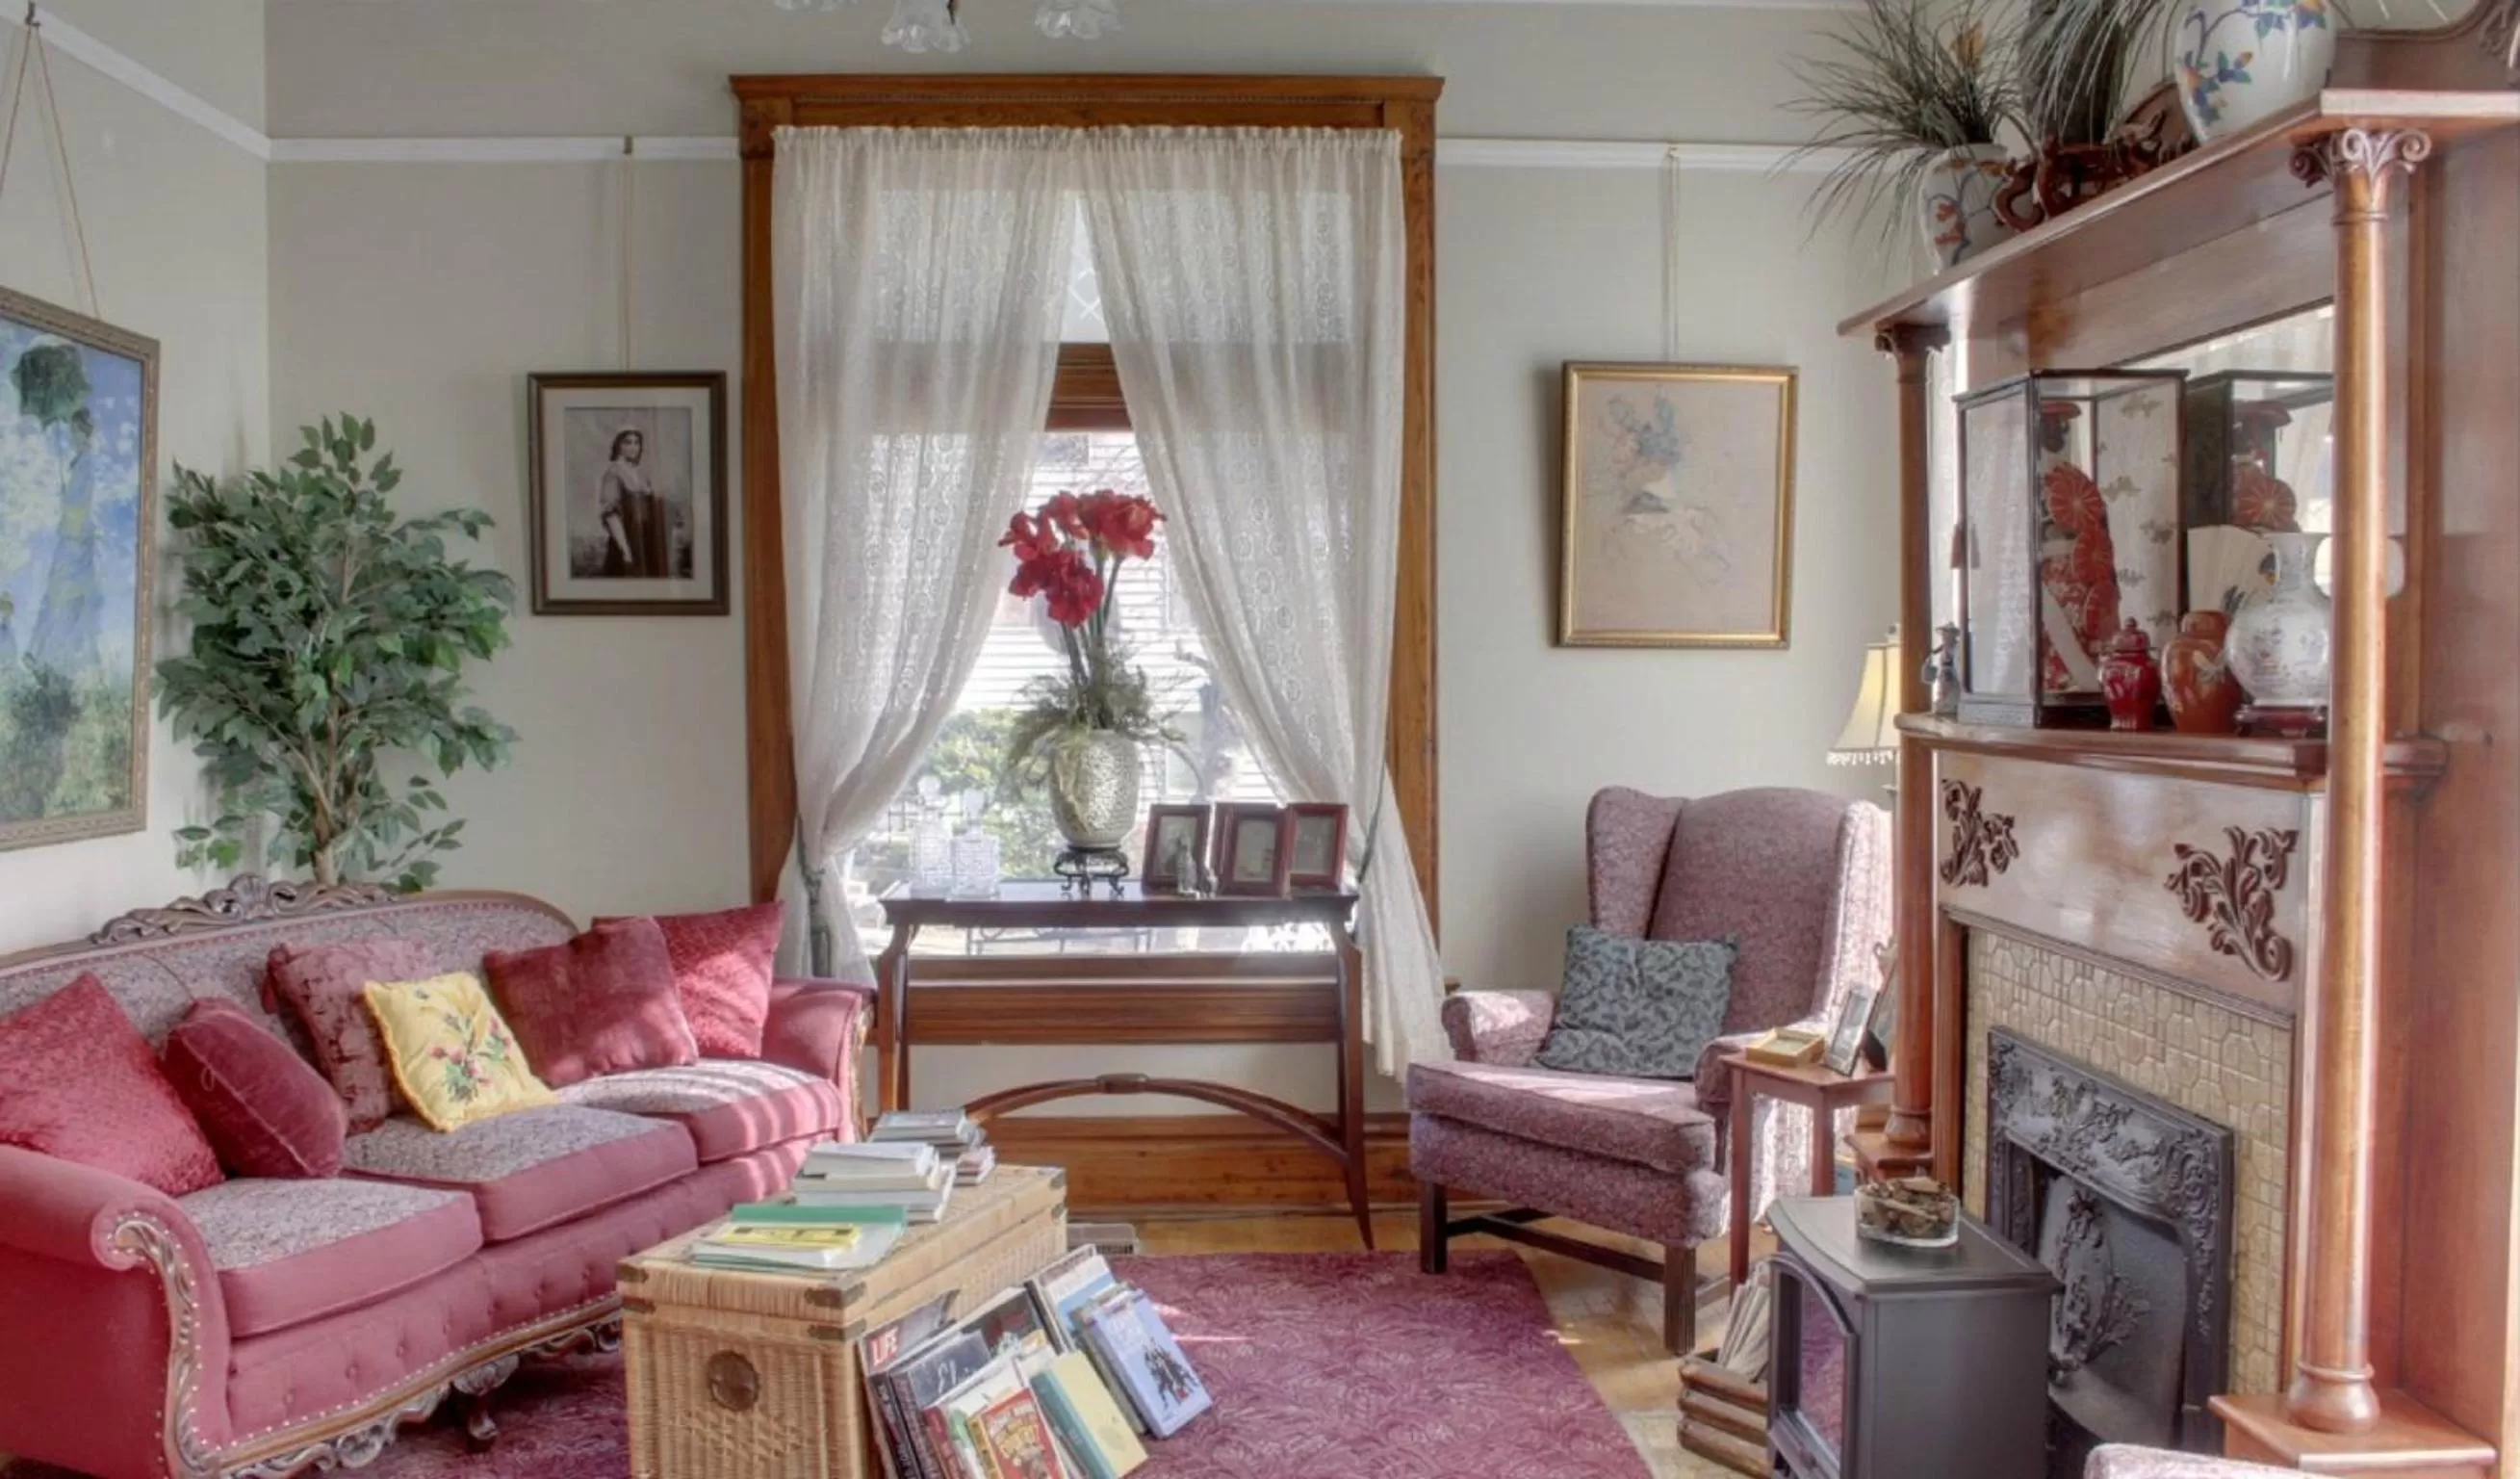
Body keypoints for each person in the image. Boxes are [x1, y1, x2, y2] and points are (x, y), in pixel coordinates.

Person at [596, 428, 672, 578]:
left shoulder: (641, 474)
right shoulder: (613, 473)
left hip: (645, 541)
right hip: (625, 540)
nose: (633, 447)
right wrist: (625, 550)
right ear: (619, 445)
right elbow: (611, 515)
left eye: (637, 443)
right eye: (628, 442)